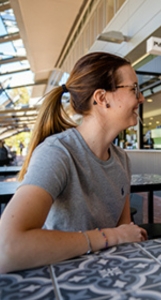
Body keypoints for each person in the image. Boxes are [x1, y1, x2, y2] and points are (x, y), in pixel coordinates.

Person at [0, 52, 148, 273]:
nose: (142, 98)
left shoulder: (122, 159)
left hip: (108, 277)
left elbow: (124, 234)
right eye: (134, 89)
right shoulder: (58, 153)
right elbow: (7, 248)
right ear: (101, 98)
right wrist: (112, 236)